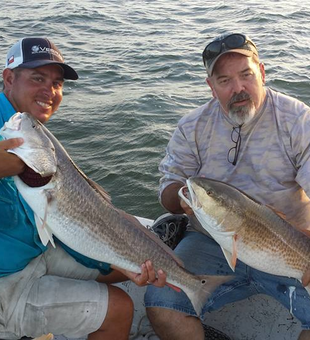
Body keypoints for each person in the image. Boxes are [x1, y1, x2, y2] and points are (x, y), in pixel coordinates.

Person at [144, 33, 310, 340]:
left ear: (262, 72)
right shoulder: (192, 127)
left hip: (288, 243)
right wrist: (182, 197)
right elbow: (170, 185)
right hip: (210, 243)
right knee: (162, 302)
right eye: (224, 80)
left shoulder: (297, 119)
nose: (238, 88)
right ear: (211, 87)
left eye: (246, 75)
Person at [0, 37, 166, 340]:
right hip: (6, 279)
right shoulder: (16, 126)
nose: (49, 92)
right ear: (8, 78)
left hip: (33, 251)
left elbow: (69, 216)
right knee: (120, 309)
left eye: (57, 83)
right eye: (38, 78)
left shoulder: (31, 128)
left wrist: (121, 264)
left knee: (120, 269)